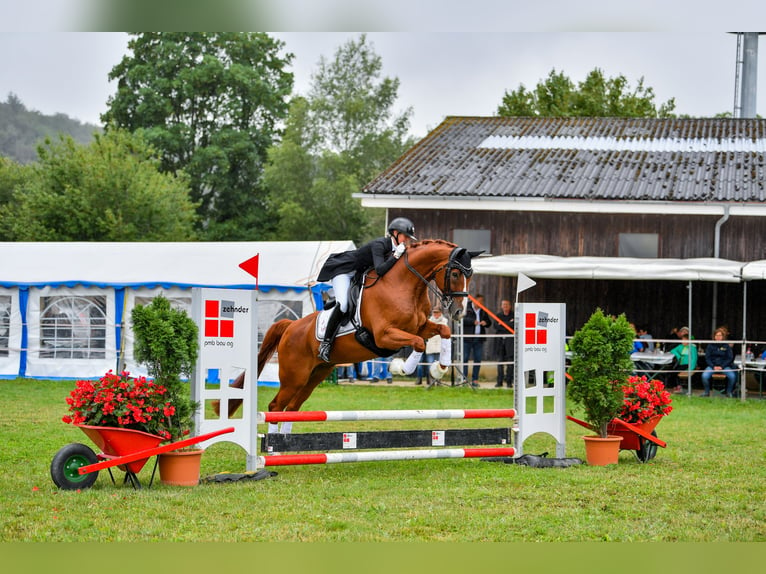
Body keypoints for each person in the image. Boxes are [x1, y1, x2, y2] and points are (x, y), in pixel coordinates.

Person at [315, 217, 417, 362]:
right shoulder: (380, 245)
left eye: (408, 237)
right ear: (395, 233)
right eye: (405, 236)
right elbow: (381, 270)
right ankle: (325, 344)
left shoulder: (397, 248)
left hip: (359, 274)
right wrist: (396, 256)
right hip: (344, 271)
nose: (407, 240)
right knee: (343, 304)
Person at [462, 294, 492, 387]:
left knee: (478, 359)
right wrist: (472, 322)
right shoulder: (466, 308)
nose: (480, 303)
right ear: (474, 301)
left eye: (481, 302)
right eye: (479, 301)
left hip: (479, 339)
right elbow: (461, 320)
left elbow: (489, 322)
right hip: (467, 338)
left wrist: (485, 322)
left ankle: (475, 380)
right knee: (465, 359)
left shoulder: (483, 310)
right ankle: (464, 379)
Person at [416, 307, 449, 385]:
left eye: (437, 312)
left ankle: (438, 380)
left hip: (440, 346)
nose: (436, 314)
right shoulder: (429, 321)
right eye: (434, 312)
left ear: (440, 313)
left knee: (439, 365)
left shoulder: (444, 321)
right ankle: (431, 381)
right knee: (430, 365)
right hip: (430, 346)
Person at [701, 327, 737, 397]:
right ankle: (706, 392)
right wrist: (713, 366)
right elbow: (707, 358)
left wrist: (722, 366)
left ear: (723, 337)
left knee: (732, 376)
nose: (718, 337)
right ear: (714, 336)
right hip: (712, 366)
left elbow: (729, 358)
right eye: (716, 335)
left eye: (720, 335)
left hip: (724, 366)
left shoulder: (726, 346)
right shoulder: (710, 345)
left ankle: (729, 392)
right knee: (704, 376)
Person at [665, 326, 698, 393]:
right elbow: (673, 350)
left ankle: (679, 386)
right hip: (681, 363)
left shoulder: (692, 347)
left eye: (685, 340)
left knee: (676, 372)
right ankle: (677, 386)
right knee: (673, 372)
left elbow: (694, 358)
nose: (683, 341)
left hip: (688, 364)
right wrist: (678, 355)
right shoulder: (680, 346)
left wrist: (691, 368)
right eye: (682, 340)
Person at [494, 299, 514, 388]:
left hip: (510, 342)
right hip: (500, 342)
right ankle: (499, 382)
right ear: (501, 306)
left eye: (507, 305)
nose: (505, 306)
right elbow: (495, 326)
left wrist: (502, 324)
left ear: (510, 306)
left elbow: (515, 326)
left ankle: (509, 382)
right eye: (503, 305)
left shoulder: (514, 315)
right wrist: (509, 324)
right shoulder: (498, 315)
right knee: (500, 362)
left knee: (510, 363)